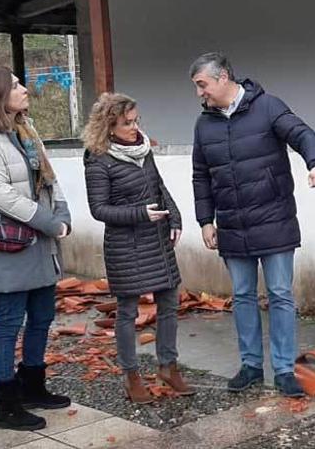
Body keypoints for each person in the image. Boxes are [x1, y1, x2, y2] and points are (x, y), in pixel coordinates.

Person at [189, 52, 315, 397]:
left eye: (201, 84)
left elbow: (301, 133)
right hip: (233, 225)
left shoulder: (267, 106)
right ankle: (251, 366)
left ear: (222, 77)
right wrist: (205, 221)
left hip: (274, 219)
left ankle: (283, 370)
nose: (199, 93)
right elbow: (200, 176)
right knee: (242, 296)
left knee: (281, 295)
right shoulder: (204, 124)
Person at [0, 66, 71, 431]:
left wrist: (63, 212)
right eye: (14, 86)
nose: (24, 89)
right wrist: (48, 221)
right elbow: (1, 195)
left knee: (42, 317)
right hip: (7, 246)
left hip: (41, 243)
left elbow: (49, 179)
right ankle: (5, 406)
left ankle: (33, 386)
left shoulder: (26, 131)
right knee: (8, 323)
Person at [83, 92, 195, 403]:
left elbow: (158, 186)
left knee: (170, 302)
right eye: (127, 123)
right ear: (109, 126)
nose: (134, 127)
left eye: (136, 120)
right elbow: (99, 209)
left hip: (156, 239)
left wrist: (174, 217)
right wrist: (139, 214)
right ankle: (131, 376)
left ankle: (168, 366)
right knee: (128, 312)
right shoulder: (98, 159)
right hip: (124, 245)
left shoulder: (144, 149)